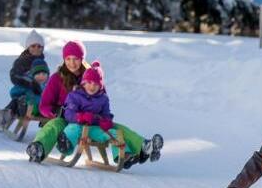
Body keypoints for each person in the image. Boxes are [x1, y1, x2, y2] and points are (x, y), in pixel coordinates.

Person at [26, 40, 163, 167]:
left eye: (76, 59)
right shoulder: (57, 78)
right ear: (64, 59)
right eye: (68, 59)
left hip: (93, 121)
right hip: (66, 118)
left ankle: (144, 146)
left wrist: (105, 120)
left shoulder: (93, 75)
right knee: (53, 125)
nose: (72, 63)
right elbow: (44, 105)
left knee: (117, 128)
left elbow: (102, 98)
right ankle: (38, 148)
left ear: (82, 59)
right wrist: (57, 113)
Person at [0, 29, 46, 131]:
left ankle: (45, 115)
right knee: (18, 101)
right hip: (23, 90)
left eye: (39, 46)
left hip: (37, 93)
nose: (36, 49)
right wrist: (28, 82)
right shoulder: (22, 61)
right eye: (33, 46)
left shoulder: (42, 61)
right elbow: (14, 74)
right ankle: (4, 115)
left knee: (43, 100)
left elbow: (45, 75)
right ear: (28, 47)